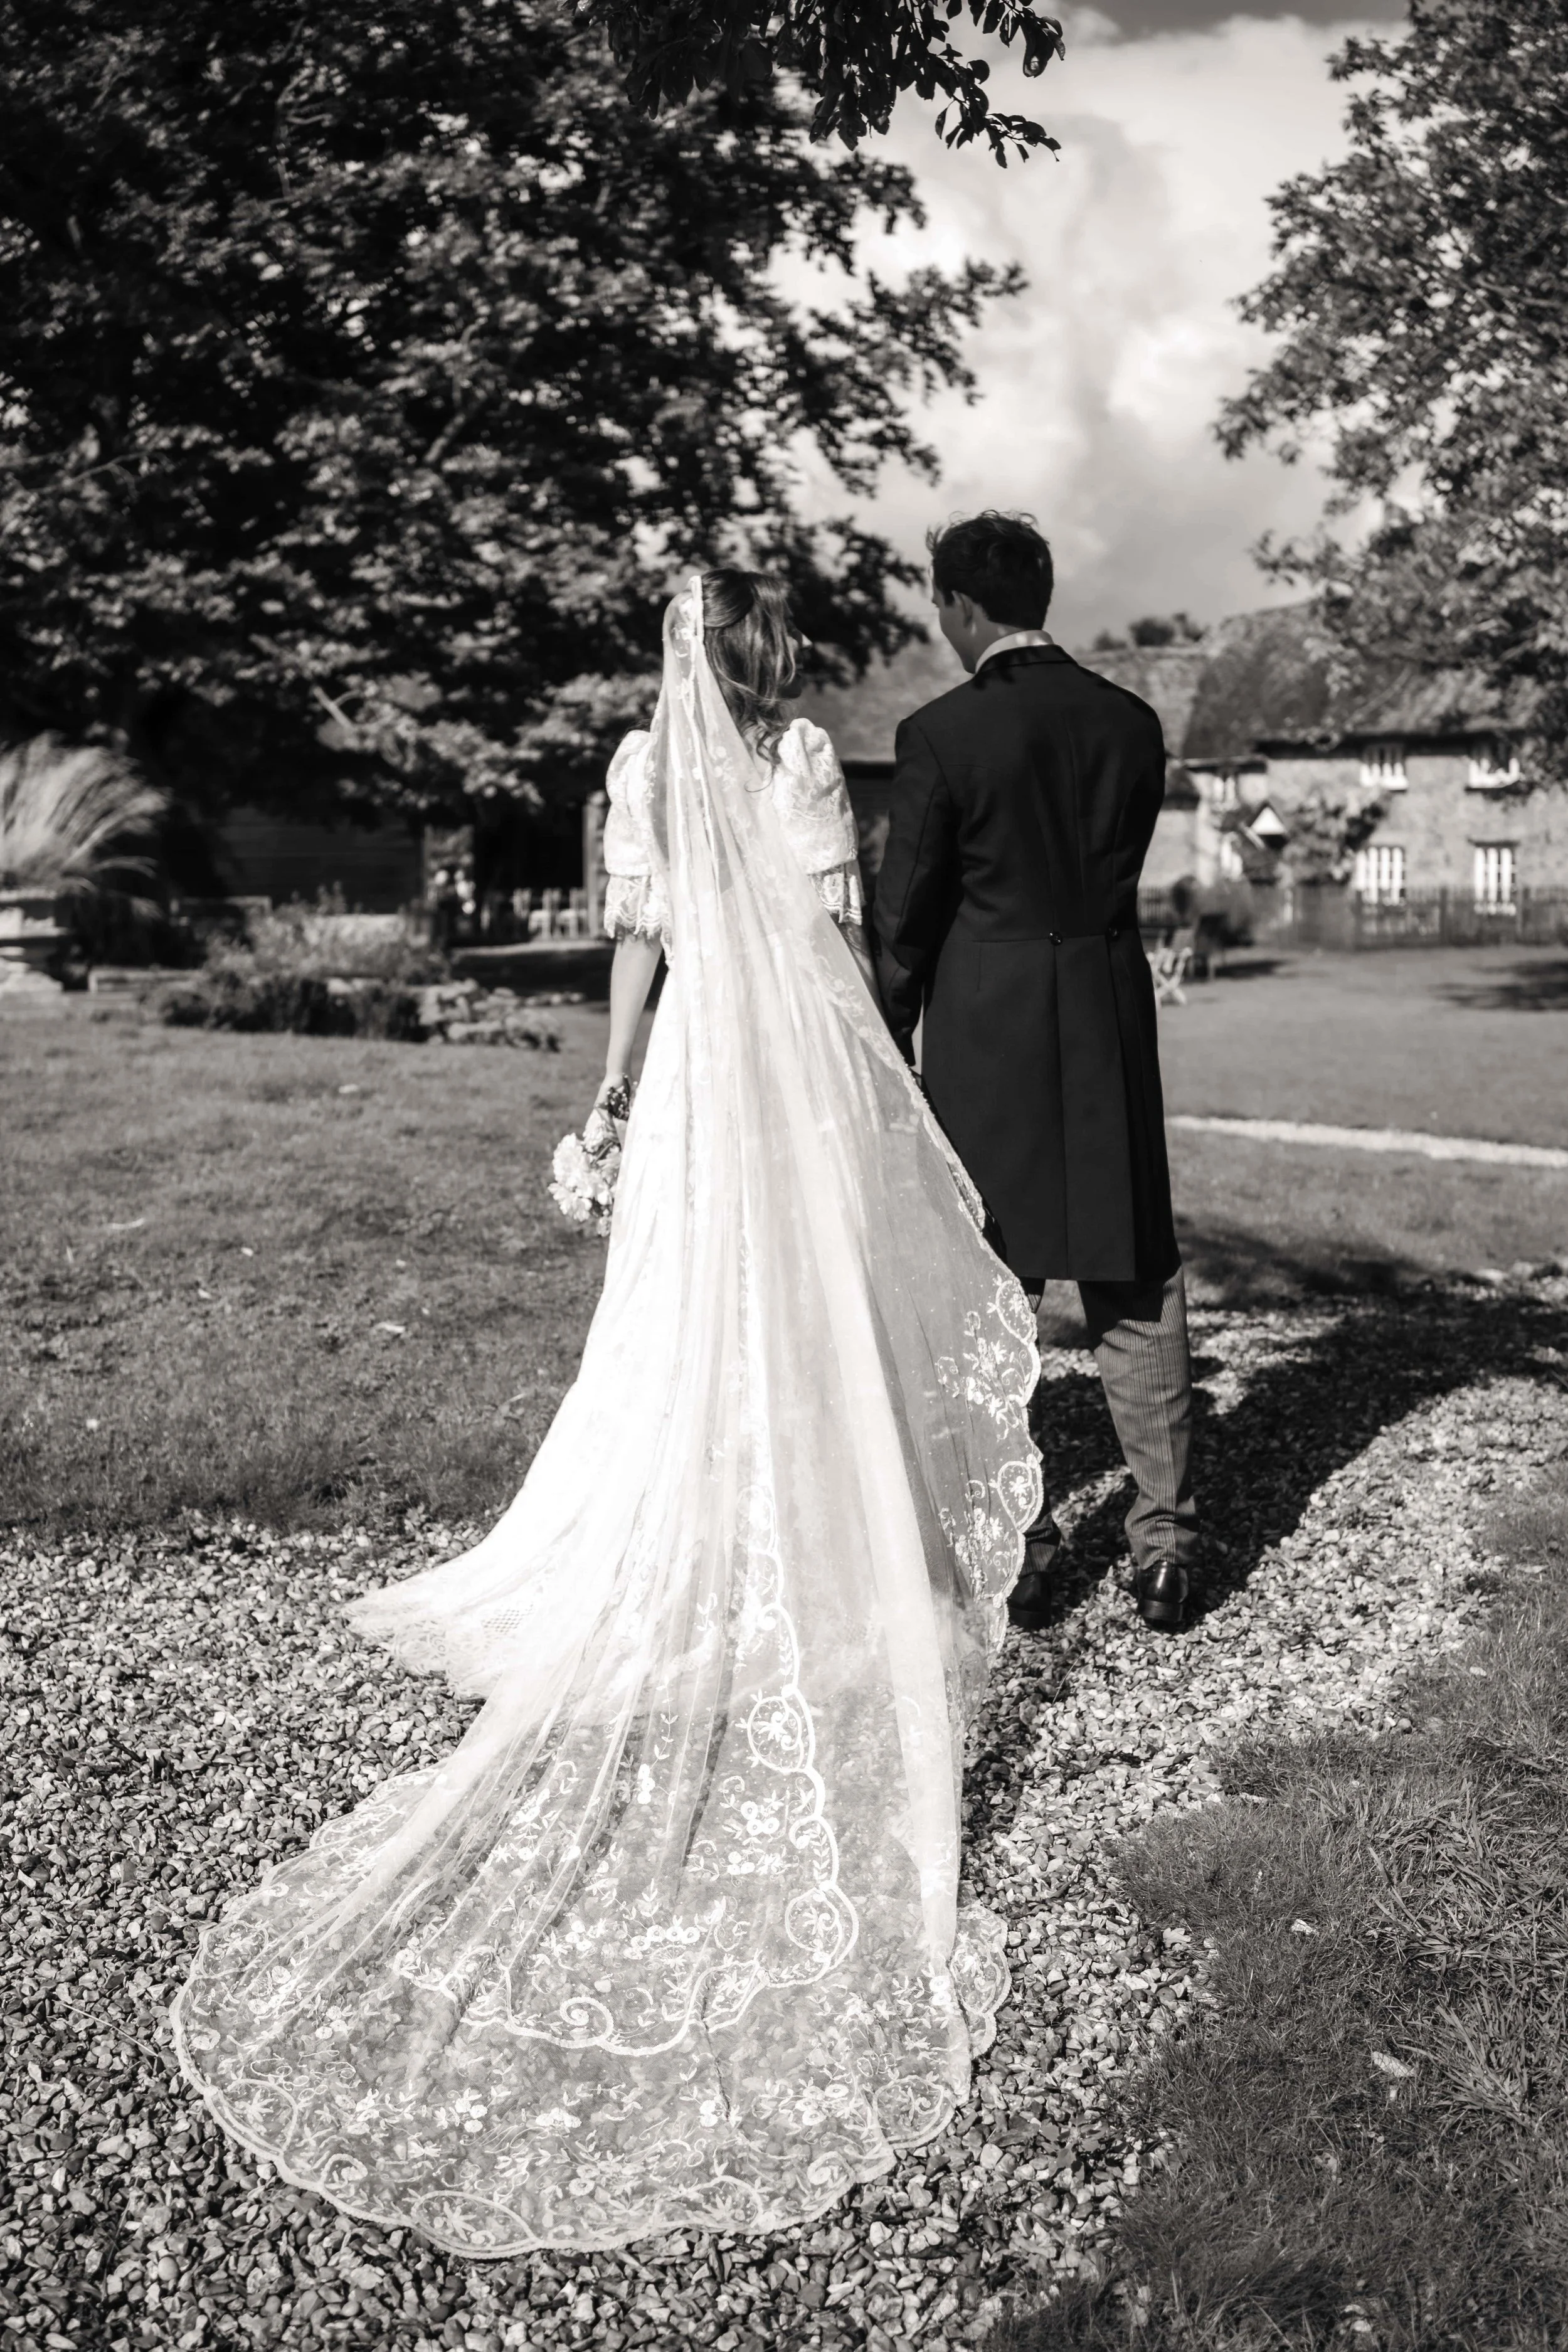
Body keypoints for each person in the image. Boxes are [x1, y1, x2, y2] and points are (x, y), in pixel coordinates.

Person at [174, 569, 1042, 2257]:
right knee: (788, 1317)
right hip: (782, 1072)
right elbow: (840, 949)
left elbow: (638, 944)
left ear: (679, 657)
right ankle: (790, 1530)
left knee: (679, 1314)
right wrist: (868, 1096)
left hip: (713, 1061)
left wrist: (617, 1086)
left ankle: (695, 1520)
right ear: (774, 662)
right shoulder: (796, 758)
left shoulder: (647, 759)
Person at [873, 512, 1199, 1634]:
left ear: (962, 607)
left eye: (940, 610)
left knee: (988, 1286)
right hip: (1106, 1011)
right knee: (1133, 1269)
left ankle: (1024, 1541)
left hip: (988, 1028)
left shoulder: (941, 735)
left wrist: (885, 1035)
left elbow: (907, 915)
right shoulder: (1132, 724)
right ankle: (1164, 1545)